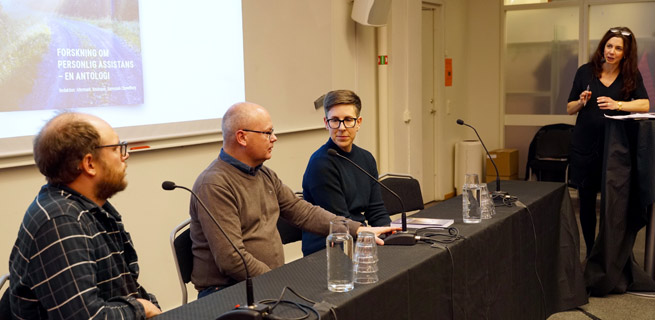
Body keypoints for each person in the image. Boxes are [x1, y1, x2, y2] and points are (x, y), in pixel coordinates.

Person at [189, 102, 398, 298]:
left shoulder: (263, 174)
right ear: (242, 138)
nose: (274, 138)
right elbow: (232, 259)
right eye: (267, 133)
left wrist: (358, 230)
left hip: (265, 280)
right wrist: (279, 281)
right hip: (229, 290)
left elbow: (303, 212)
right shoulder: (214, 185)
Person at [7, 112, 161, 319]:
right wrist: (141, 309)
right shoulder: (60, 222)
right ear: (89, 164)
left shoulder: (89, 209)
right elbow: (86, 317)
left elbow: (124, 287)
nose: (125, 156)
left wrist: (148, 305)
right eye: (116, 149)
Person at [566, 26, 649, 256]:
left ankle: (611, 254)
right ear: (603, 47)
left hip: (615, 150)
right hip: (585, 147)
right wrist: (582, 101)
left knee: (614, 202)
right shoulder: (585, 72)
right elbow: (569, 108)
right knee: (586, 200)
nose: (611, 51)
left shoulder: (630, 75)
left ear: (626, 52)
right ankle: (591, 252)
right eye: (609, 46)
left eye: (618, 48)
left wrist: (618, 104)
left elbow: (645, 104)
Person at [301, 90, 391, 256]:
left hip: (357, 237)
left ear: (358, 122)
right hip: (327, 250)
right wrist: (371, 235)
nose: (341, 128)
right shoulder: (320, 164)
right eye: (335, 120)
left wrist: (389, 235)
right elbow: (341, 222)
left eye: (348, 120)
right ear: (326, 123)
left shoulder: (366, 158)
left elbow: (376, 210)